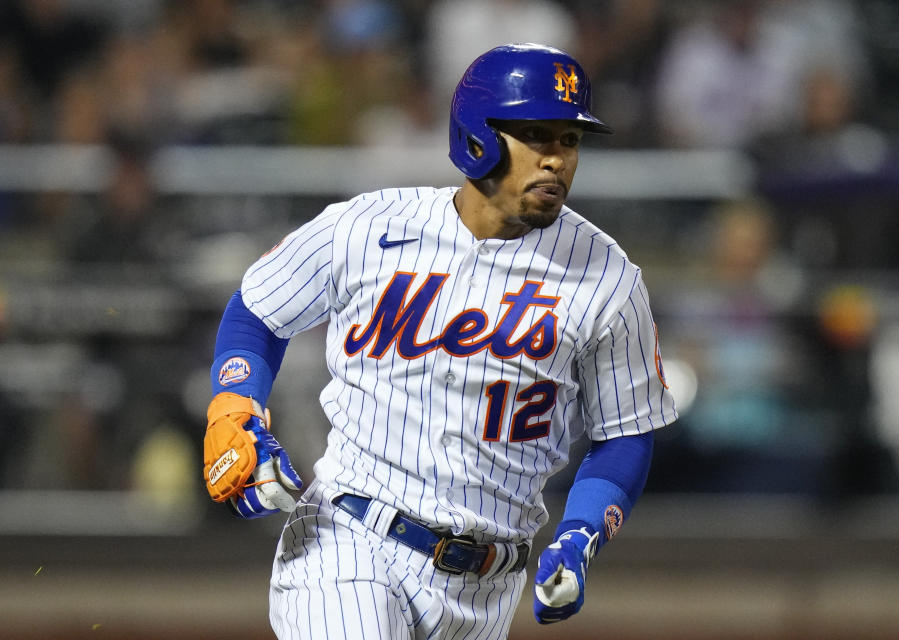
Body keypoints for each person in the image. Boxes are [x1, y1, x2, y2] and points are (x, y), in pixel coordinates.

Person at [202, 43, 677, 639]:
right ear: (478, 136)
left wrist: (582, 532)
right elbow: (258, 308)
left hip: (488, 584)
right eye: (537, 135)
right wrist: (235, 401)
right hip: (351, 540)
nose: (557, 160)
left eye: (570, 141)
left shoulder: (608, 277)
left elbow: (625, 432)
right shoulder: (371, 224)